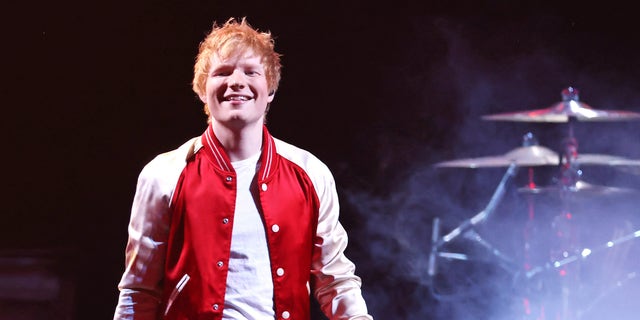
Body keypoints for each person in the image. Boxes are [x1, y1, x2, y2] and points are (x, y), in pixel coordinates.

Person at [113, 17, 373, 320]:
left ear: (270, 89)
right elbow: (139, 291)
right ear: (201, 90)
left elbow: (335, 280)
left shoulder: (310, 173)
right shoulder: (164, 174)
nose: (236, 81)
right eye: (222, 72)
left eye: (251, 72)